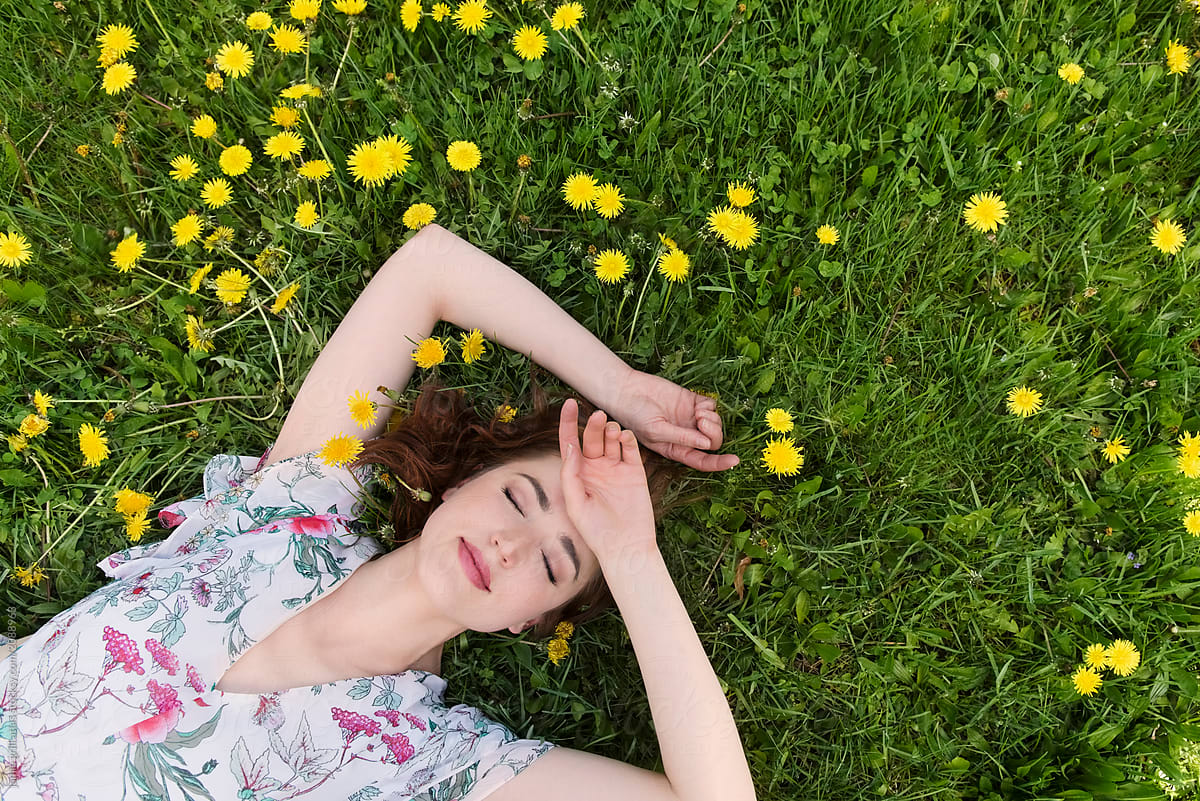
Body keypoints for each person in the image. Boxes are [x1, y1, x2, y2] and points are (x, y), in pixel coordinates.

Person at [0, 223, 754, 801]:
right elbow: (431, 265)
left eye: (556, 563)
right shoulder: (295, 507)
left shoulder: (427, 759)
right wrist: (618, 387)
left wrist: (631, 557)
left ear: (533, 620)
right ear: (460, 487)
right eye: (519, 498)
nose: (509, 546)